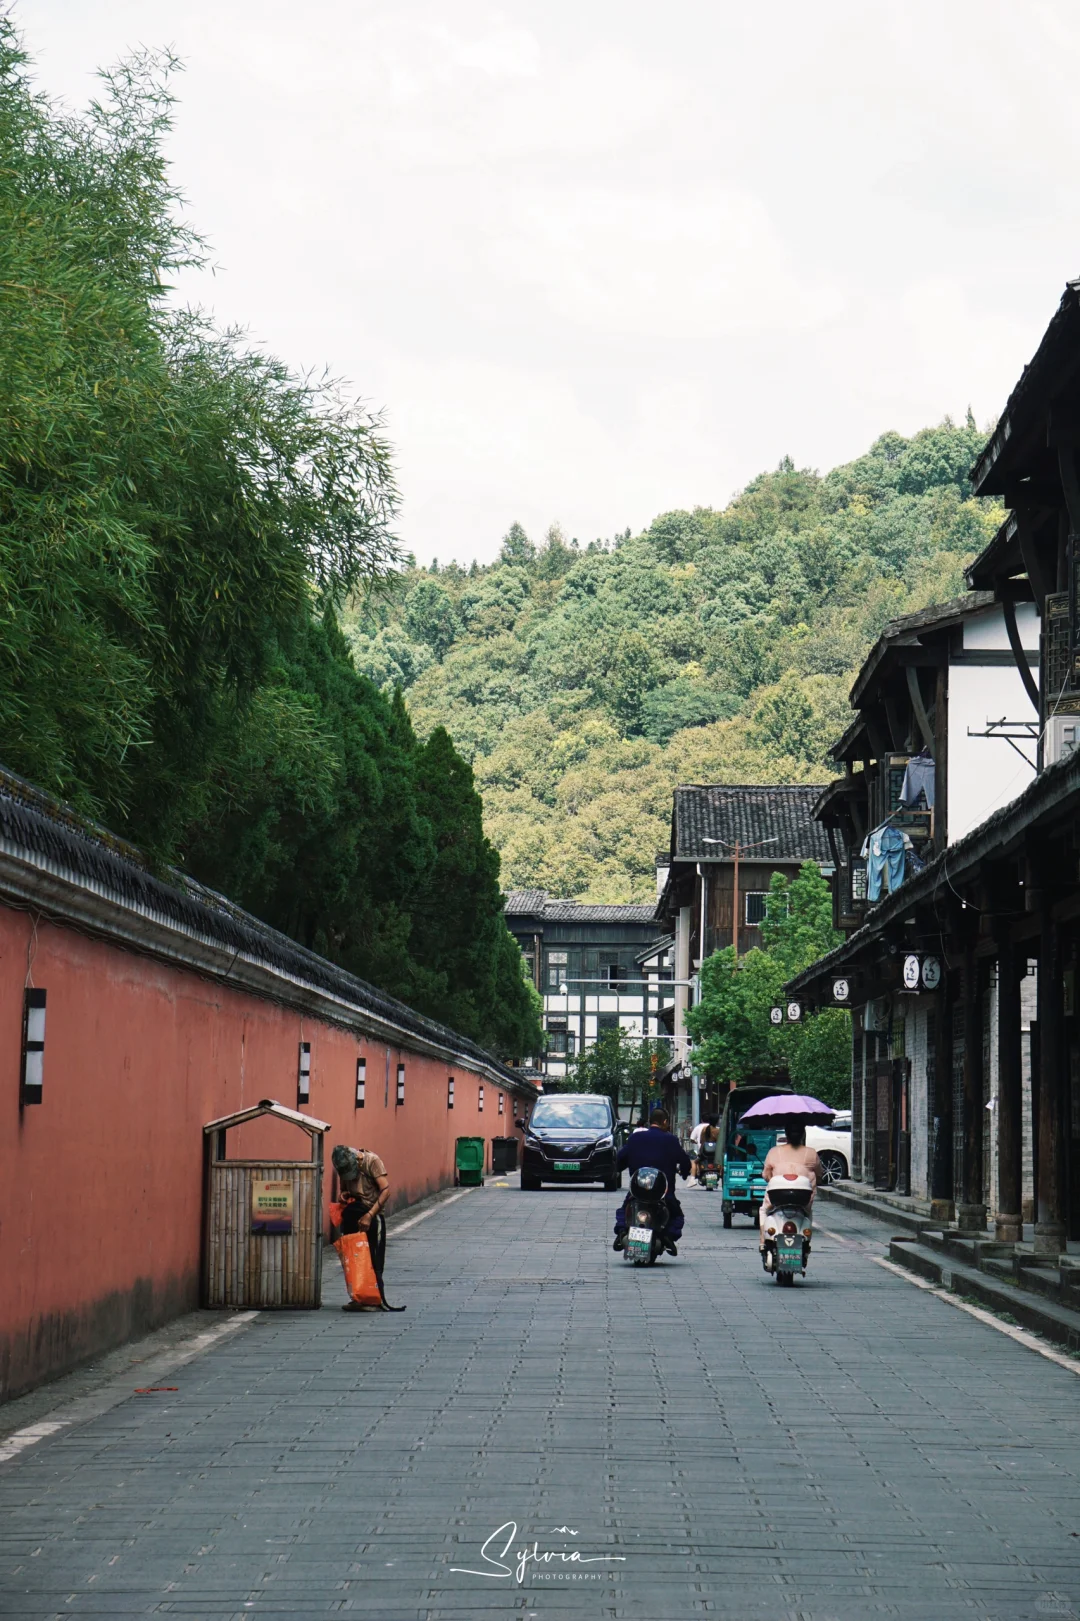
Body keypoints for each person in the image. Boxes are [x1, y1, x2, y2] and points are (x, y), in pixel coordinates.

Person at [612, 1108, 691, 1256]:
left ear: (650, 1121)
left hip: (637, 1189)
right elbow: (685, 1162)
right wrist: (685, 1173)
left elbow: (620, 1158)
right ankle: (668, 1236)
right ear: (665, 1122)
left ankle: (622, 1231)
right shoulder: (671, 1140)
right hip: (664, 1192)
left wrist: (619, 1169)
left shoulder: (635, 1138)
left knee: (625, 1208)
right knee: (677, 1215)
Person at [332, 1143, 391, 1310]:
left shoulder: (372, 1161)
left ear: (357, 1159)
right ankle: (358, 1297)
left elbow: (386, 1190)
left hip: (372, 1213)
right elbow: (344, 1190)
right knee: (354, 1258)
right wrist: (343, 1195)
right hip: (354, 1213)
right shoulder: (343, 1166)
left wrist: (370, 1215)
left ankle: (375, 1299)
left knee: (374, 1258)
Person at [758, 1118, 822, 1251]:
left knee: (764, 1210)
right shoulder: (811, 1153)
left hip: (777, 1197)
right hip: (803, 1199)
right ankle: (806, 1244)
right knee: (808, 1213)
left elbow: (766, 1175)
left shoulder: (774, 1151)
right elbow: (819, 1175)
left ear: (786, 1134)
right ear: (803, 1134)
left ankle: (763, 1241)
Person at [692, 1115, 720, 1182]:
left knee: (694, 1162)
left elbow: (701, 1141)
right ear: (717, 1122)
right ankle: (721, 1173)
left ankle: (692, 1178)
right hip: (715, 1154)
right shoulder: (718, 1130)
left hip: (703, 1153)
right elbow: (720, 1142)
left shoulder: (704, 1129)